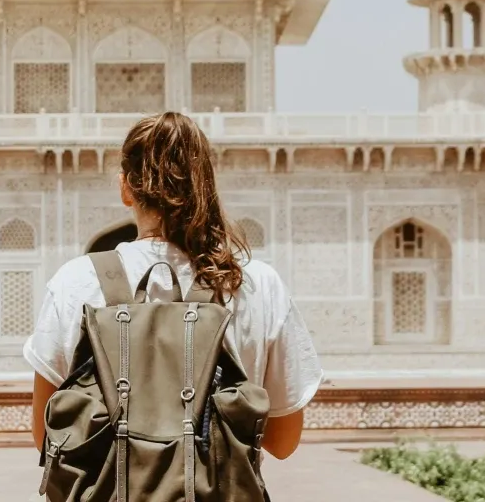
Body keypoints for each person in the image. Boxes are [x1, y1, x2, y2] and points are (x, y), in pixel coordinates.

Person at [24, 112, 324, 467]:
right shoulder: (255, 284)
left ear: (125, 188)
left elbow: (45, 434)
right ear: (206, 184)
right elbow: (282, 441)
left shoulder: (76, 282)